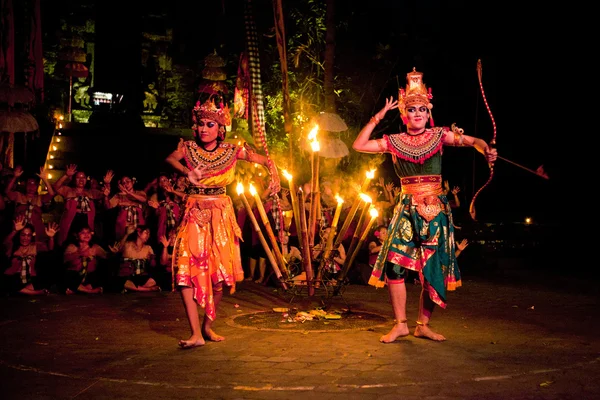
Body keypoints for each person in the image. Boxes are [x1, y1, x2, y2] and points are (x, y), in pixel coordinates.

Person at [352, 68, 497, 342]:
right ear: (404, 113)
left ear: (428, 112)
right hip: (406, 208)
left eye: (421, 109)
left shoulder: (440, 135)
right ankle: (401, 324)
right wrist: (379, 116)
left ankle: (423, 325)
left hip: (435, 210)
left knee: (431, 268)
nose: (417, 114)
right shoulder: (393, 142)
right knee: (395, 266)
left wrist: (485, 148)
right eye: (411, 109)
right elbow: (359, 144)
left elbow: (473, 141)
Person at [165, 97, 280, 349]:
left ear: (221, 129)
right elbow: (170, 159)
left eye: (210, 124)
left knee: (218, 279)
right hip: (194, 214)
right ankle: (195, 333)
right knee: (185, 271)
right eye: (200, 124)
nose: (204, 129)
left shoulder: (232, 151)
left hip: (221, 216)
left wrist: (275, 176)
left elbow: (267, 160)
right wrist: (187, 173)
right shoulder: (187, 148)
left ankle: (207, 326)